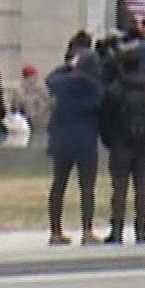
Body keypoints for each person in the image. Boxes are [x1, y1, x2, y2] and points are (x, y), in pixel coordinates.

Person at [100, 44, 145, 245]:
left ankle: (117, 229)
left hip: (119, 142)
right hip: (143, 142)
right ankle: (141, 230)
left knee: (119, 187)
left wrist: (109, 139)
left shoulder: (115, 90)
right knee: (142, 186)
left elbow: (106, 119)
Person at [46, 35, 104, 245]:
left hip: (61, 138)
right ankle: (87, 230)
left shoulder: (62, 82)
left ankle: (55, 230)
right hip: (86, 140)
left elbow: (49, 80)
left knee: (58, 186)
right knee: (87, 187)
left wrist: (68, 67)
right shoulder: (95, 87)